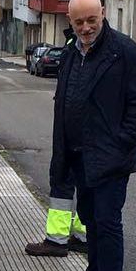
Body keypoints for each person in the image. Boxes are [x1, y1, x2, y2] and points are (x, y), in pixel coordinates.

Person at [46, 0, 136, 271]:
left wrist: (122, 142)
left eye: (92, 20)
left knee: (107, 222)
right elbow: (64, 103)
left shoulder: (124, 52)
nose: (86, 27)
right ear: (71, 22)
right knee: (90, 221)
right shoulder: (69, 55)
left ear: (103, 14)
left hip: (112, 158)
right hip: (80, 155)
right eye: (80, 22)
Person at [25, 25, 86, 257]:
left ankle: (58, 240)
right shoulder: (75, 47)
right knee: (77, 182)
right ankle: (79, 237)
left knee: (64, 180)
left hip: (72, 129)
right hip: (70, 127)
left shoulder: (79, 48)